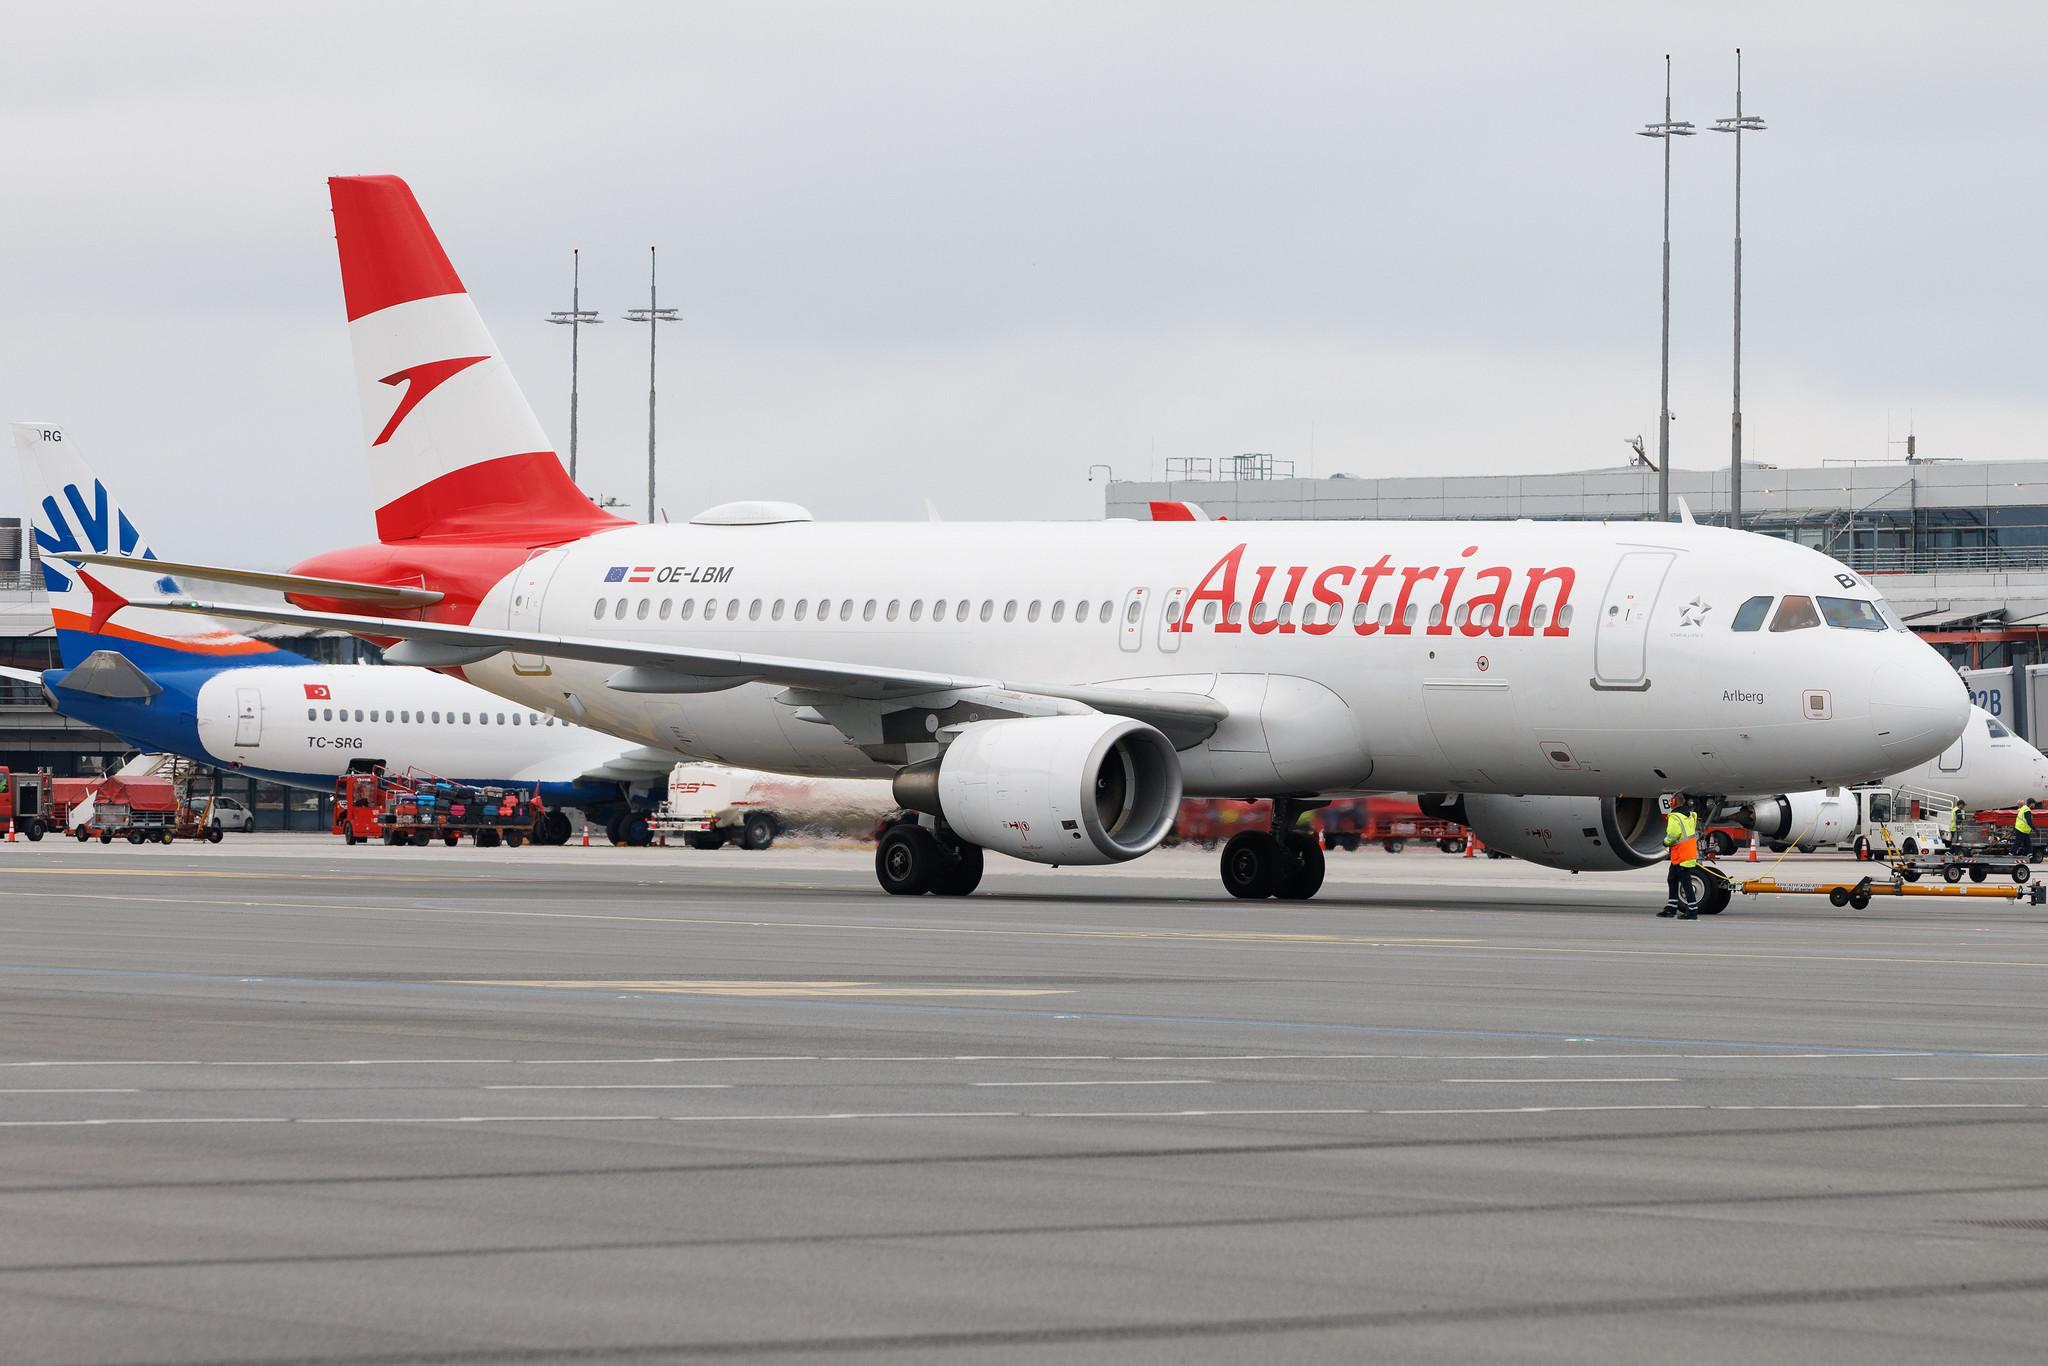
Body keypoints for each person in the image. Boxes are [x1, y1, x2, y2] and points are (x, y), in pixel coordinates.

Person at [1659, 794, 1700, 919]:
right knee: (1672, 879)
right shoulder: (1691, 815)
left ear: (1674, 802)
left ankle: (1692, 911)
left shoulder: (1675, 817)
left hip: (1681, 855)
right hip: (1686, 854)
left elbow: (1673, 835)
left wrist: (1665, 842)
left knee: (1686, 883)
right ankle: (1671, 908)